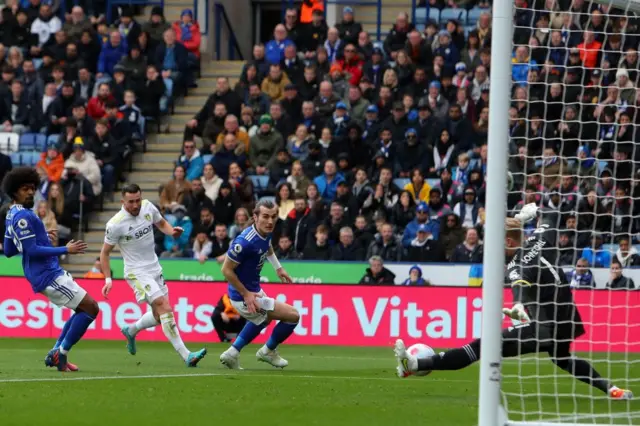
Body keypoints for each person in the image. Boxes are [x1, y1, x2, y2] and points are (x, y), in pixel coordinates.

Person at [394, 203, 633, 401]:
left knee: (481, 347)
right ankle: (611, 389)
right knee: (562, 358)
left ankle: (415, 363)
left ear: (508, 243)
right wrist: (529, 213)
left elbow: (520, 284)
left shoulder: (517, 265)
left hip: (544, 326)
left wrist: (518, 305)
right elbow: (551, 215)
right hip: (568, 320)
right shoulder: (540, 238)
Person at [100, 183, 207, 367]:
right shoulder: (115, 224)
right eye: (131, 202)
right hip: (136, 272)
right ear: (123, 201)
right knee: (164, 307)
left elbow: (161, 223)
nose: (135, 205)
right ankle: (187, 355)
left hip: (154, 267)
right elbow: (105, 253)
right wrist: (108, 279)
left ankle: (131, 330)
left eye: (138, 200)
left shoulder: (148, 207)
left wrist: (172, 231)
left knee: (159, 317)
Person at [3, 167, 97, 372]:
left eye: (32, 188)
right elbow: (32, 249)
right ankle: (59, 353)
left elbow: (9, 250)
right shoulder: (23, 217)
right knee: (91, 308)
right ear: (14, 192)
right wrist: (66, 249)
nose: (30, 192)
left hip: (42, 273)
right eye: (24, 189)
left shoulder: (13, 214)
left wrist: (41, 234)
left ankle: (58, 354)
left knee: (82, 309)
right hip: (47, 274)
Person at [219, 199, 300, 370]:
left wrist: (278, 268)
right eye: (265, 216)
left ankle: (232, 353)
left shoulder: (265, 232)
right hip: (243, 295)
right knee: (293, 316)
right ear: (255, 217)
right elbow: (226, 270)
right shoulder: (244, 242)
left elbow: (268, 246)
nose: (270, 221)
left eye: (273, 217)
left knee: (262, 319)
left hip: (253, 290)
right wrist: (246, 294)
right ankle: (267, 351)